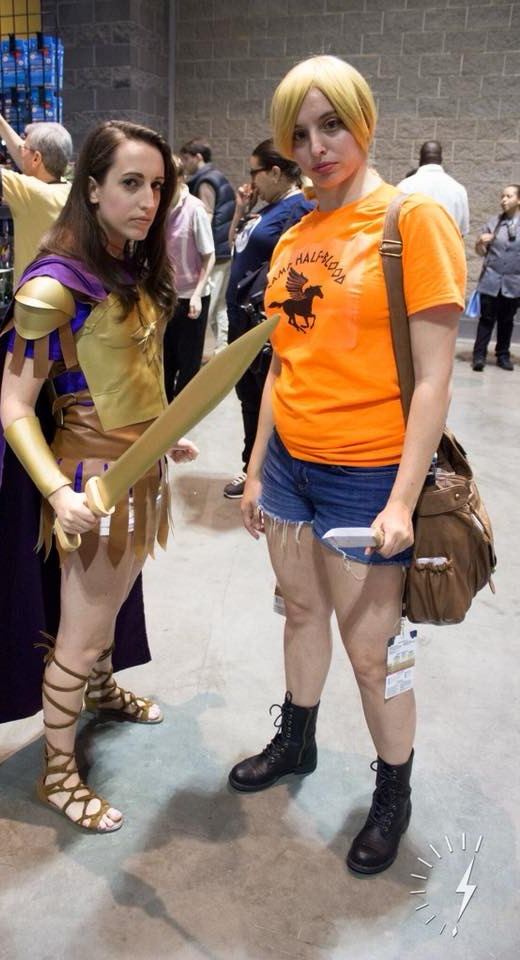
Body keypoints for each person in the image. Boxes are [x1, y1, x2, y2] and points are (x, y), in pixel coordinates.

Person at [231, 56, 465, 876]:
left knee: (374, 653)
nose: (317, 147)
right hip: (290, 468)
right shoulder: (294, 233)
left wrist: (401, 499)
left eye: (332, 125)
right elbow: (281, 364)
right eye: (299, 134)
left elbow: (434, 379)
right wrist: (257, 467)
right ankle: (296, 741)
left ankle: (393, 792)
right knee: (299, 613)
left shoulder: (411, 220)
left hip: (368, 475)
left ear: (365, 119)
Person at [0, 121, 198, 832]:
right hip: (90, 480)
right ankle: (58, 774)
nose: (147, 200)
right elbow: (15, 408)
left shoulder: (130, 266)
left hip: (138, 472)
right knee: (81, 633)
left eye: (157, 186)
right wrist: (59, 493)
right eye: (131, 183)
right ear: (90, 189)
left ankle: (99, 689)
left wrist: (161, 435)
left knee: (111, 606)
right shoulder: (54, 285)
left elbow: (131, 374)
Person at [222, 139, 314, 499]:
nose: (251, 180)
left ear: (275, 172)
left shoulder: (298, 207)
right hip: (242, 320)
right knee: (249, 396)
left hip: (263, 323)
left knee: (265, 399)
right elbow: (235, 243)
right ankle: (252, 468)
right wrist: (242, 209)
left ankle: (264, 475)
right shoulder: (268, 207)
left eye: (254, 172)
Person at [0, 94, 72, 284]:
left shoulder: (32, 192)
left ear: (36, 158)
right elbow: (25, 157)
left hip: (33, 297)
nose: (21, 150)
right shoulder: (66, 189)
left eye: (25, 148)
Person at [163, 154, 215, 401]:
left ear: (181, 179)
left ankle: (184, 415)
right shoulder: (157, 208)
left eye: (168, 178)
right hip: (165, 296)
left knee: (189, 364)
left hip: (192, 296)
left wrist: (197, 294)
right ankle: (166, 415)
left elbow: (209, 256)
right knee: (165, 361)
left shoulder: (195, 209)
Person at [180, 138, 235, 353]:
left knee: (208, 306)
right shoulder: (217, 175)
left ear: (198, 157)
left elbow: (207, 215)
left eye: (186, 158)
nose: (185, 164)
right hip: (223, 249)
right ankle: (222, 350)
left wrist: (199, 247)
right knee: (220, 305)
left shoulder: (204, 181)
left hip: (215, 252)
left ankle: (208, 352)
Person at [471, 184, 520, 372]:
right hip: (491, 280)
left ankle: (503, 355)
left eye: (508, 196)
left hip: (513, 283)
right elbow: (480, 252)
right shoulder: (493, 223)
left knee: (507, 321)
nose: (503, 200)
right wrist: (479, 242)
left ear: (518, 200)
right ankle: (479, 356)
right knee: (486, 320)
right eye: (502, 196)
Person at [397, 140, 469, 237]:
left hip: (412, 245)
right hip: (446, 246)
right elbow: (461, 234)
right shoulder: (459, 190)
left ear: (420, 159)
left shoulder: (404, 186)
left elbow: (394, 227)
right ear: (441, 159)